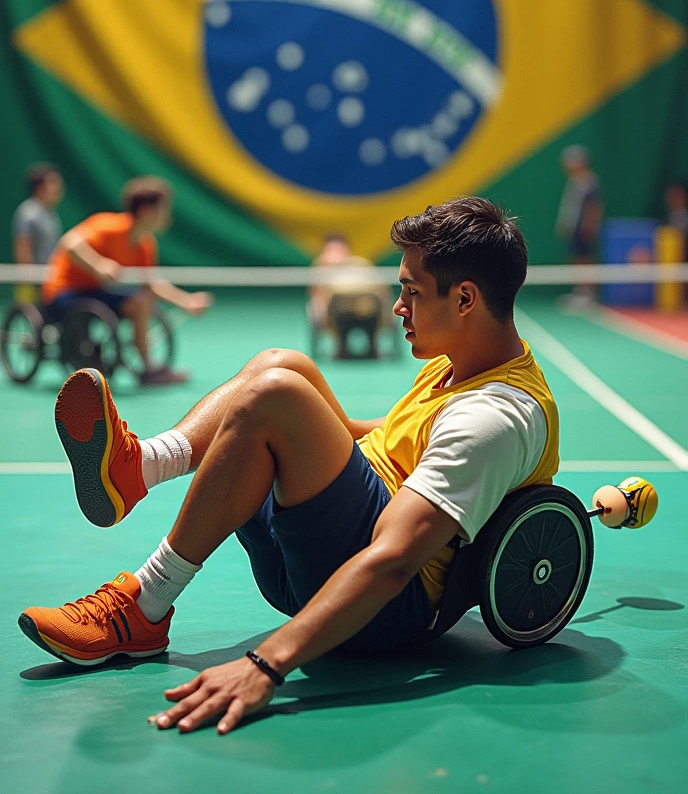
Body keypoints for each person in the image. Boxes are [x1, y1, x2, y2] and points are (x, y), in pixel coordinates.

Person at [19, 197, 559, 736]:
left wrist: (266, 663)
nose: (398, 307)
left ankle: (144, 607)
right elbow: (389, 438)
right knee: (281, 365)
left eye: (411, 292)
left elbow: (394, 560)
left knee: (278, 395)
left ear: (465, 298)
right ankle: (137, 469)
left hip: (382, 608)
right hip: (322, 546)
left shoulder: (493, 416)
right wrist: (310, 423)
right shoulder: (460, 363)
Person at [41, 176, 212, 385]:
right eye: (164, 209)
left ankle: (148, 368)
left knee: (140, 301)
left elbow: (150, 283)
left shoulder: (145, 245)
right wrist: (98, 264)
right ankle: (148, 366)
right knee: (135, 300)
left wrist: (186, 301)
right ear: (146, 212)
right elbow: (69, 243)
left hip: (95, 293)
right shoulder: (109, 225)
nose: (169, 216)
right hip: (64, 293)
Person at [309, 233, 390, 357]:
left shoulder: (362, 265)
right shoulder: (320, 269)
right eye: (331, 250)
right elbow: (317, 298)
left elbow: (381, 292)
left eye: (338, 249)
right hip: (339, 314)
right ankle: (342, 347)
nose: (335, 254)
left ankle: (373, 346)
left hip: (368, 311)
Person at [555, 144, 603, 306]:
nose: (568, 165)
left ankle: (588, 294)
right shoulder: (574, 181)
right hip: (575, 228)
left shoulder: (589, 181)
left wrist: (589, 226)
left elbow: (594, 206)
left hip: (583, 229)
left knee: (584, 259)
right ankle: (579, 291)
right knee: (576, 258)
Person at [12, 163, 64, 303]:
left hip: (48, 281)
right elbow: (22, 247)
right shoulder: (28, 213)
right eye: (53, 183)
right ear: (40, 188)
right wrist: (29, 280)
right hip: (32, 283)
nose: (59, 187)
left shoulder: (50, 214)